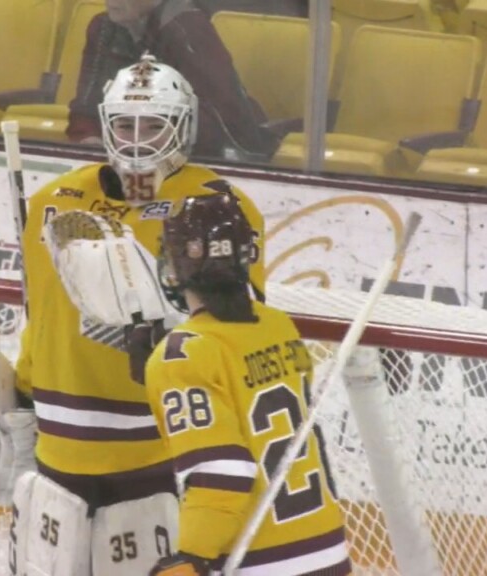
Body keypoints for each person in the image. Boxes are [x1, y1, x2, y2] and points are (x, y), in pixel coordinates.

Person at [0, 55, 266, 576]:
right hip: (59, 445)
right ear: (105, 124)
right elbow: (42, 319)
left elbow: (238, 330)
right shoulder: (55, 200)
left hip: (158, 448)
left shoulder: (215, 207)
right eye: (125, 123)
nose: (138, 138)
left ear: (183, 127)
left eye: (154, 124)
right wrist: (22, 410)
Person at [143, 191, 350, 575]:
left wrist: (193, 557)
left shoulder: (179, 355)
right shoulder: (277, 323)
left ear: (175, 264)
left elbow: (222, 473)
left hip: (261, 562)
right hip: (328, 549)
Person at [66, 0, 280, 160]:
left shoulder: (188, 29)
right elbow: (87, 103)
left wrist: (149, 145)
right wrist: (89, 140)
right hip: (128, 154)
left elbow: (225, 122)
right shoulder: (103, 27)